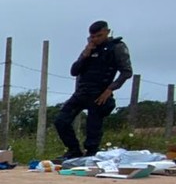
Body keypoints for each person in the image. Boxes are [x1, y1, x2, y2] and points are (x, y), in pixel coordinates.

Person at [54, 20, 132, 159]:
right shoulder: (89, 49)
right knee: (61, 120)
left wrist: (109, 90)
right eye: (93, 36)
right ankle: (74, 151)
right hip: (82, 92)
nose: (96, 39)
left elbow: (126, 72)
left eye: (99, 36)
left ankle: (91, 154)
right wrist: (86, 54)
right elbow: (74, 71)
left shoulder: (117, 47)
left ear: (107, 32)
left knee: (93, 127)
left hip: (100, 93)